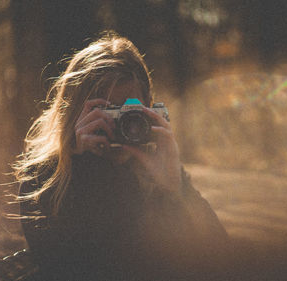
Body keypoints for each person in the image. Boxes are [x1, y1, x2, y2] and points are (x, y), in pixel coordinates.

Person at [15, 32, 229, 280]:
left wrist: (177, 189)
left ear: (148, 108)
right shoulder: (44, 180)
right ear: (75, 113)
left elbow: (221, 259)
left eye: (128, 110)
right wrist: (87, 168)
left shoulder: (155, 171)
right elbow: (70, 268)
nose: (118, 124)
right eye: (106, 111)